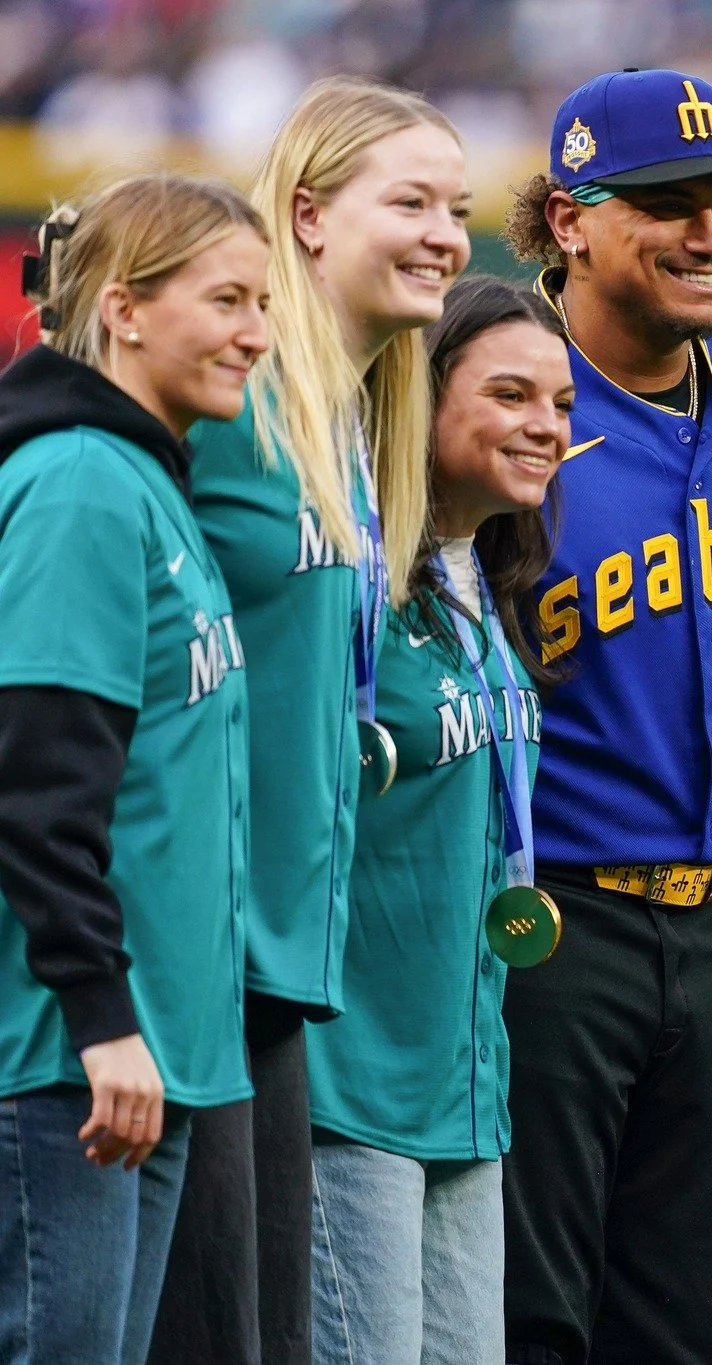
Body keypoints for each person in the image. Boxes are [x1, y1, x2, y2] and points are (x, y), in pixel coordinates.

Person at [497, 69, 712, 1365]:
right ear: (571, 221)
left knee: (692, 1324)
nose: (710, 232)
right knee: (534, 1320)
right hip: (545, 925)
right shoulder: (501, 392)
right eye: (666, 204)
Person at [155, 77, 471, 1365]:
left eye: (457, 206)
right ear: (307, 216)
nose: (448, 233)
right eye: (411, 201)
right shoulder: (225, 409)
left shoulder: (350, 424)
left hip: (274, 974)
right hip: (184, 967)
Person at [0, 173, 268, 1362]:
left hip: (133, 1057)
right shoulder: (76, 484)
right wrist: (101, 1016)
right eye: (225, 298)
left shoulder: (145, 479)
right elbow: (38, 782)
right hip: (66, 1054)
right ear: (122, 308)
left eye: (261, 302)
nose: (256, 332)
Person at [302, 276, 567, 1365]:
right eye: (509, 394)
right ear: (417, 392)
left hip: (464, 1095)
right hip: (346, 1092)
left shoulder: (478, 581)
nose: (544, 427)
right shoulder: (347, 586)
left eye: (558, 405)